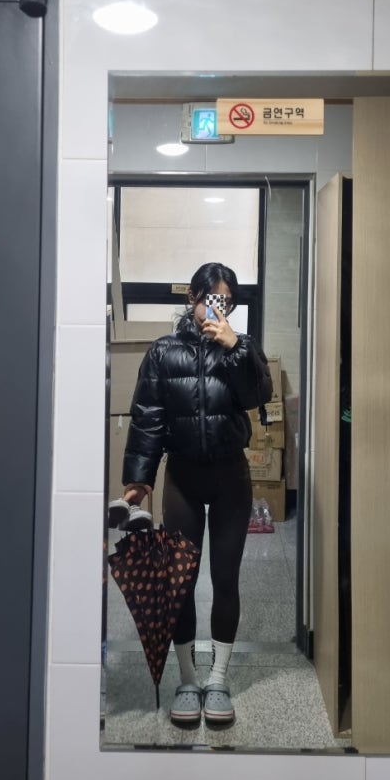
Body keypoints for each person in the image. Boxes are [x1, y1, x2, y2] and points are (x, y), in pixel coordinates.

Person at [115, 262, 272, 727]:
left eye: (227, 302)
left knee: (225, 579)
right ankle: (186, 679)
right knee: (179, 580)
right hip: (182, 477)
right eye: (211, 299)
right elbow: (147, 416)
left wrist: (235, 347)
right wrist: (139, 479)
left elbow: (257, 396)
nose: (217, 308)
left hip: (230, 478)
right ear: (193, 299)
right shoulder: (164, 352)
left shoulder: (242, 347)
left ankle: (218, 679)